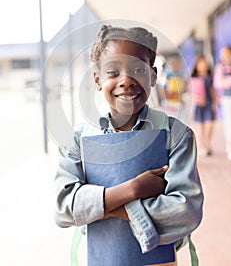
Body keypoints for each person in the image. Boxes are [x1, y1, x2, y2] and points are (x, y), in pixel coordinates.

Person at [54, 25, 203, 265]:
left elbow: (186, 211)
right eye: (113, 72)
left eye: (138, 70)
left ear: (153, 77)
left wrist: (102, 208)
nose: (126, 80)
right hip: (103, 258)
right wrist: (132, 189)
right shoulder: (77, 139)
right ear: (97, 79)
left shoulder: (176, 135)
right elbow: (63, 208)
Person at [190, 55, 216, 156]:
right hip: (199, 105)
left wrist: (215, 103)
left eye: (205, 64)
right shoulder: (194, 78)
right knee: (200, 127)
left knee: (210, 125)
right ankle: (203, 146)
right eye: (201, 64)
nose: (203, 66)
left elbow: (212, 90)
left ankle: (208, 142)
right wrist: (197, 99)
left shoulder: (210, 77)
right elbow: (191, 91)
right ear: (197, 66)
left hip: (209, 104)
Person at [214, 46, 231, 161]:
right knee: (229, 123)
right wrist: (230, 82)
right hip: (227, 98)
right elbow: (218, 83)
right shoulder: (220, 67)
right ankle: (230, 148)